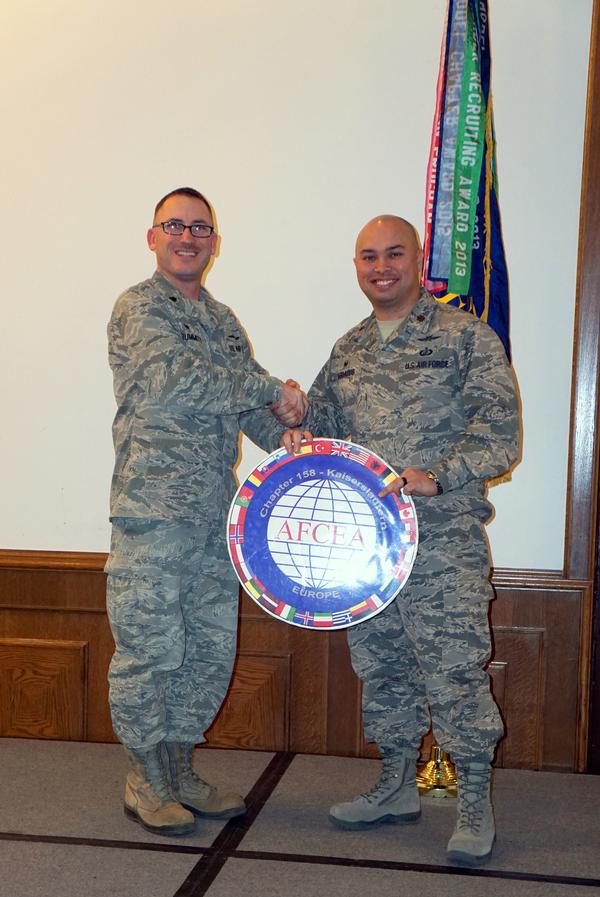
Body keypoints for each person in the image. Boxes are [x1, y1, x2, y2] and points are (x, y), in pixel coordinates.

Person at [279, 215, 519, 866]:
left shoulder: (464, 336)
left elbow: (502, 432)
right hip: (369, 547)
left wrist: (441, 476)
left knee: (453, 668)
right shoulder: (350, 348)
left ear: (418, 260)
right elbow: (323, 429)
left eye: (393, 254)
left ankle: (473, 797)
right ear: (356, 266)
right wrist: (299, 439)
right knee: (382, 667)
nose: (380, 266)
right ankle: (394, 783)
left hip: (441, 540)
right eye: (367, 256)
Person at [105, 187, 307, 836]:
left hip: (216, 517)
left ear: (215, 243)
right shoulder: (139, 308)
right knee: (150, 650)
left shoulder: (223, 322)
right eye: (175, 225)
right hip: (154, 515)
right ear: (152, 237)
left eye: (200, 228)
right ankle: (144, 776)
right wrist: (275, 391)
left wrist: (289, 437)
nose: (187, 236)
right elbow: (182, 379)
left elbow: (243, 403)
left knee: (207, 651)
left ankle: (180, 766)